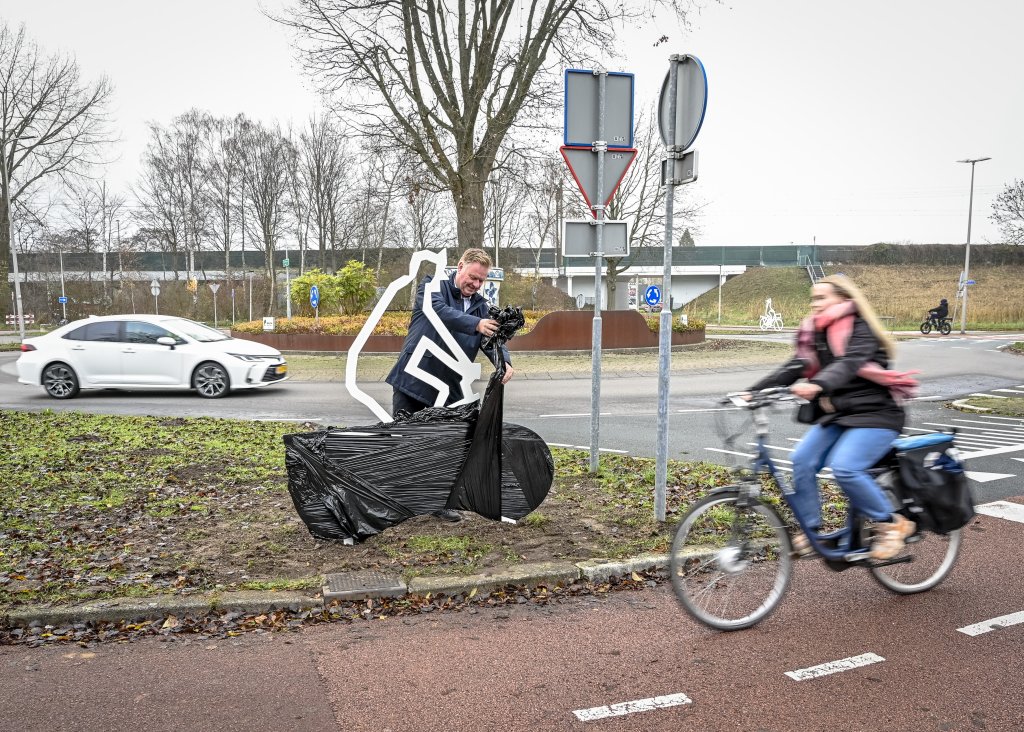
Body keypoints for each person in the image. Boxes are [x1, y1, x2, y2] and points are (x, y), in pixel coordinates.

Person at [747, 275, 919, 560]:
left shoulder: (862, 329)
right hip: (840, 415)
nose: (815, 304)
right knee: (802, 460)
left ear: (842, 298)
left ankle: (892, 523)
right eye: (813, 299)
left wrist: (818, 385)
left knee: (846, 468)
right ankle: (812, 531)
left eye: (821, 298)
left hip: (876, 415)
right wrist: (752, 392)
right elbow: (796, 365)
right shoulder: (815, 332)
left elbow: (848, 363)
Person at [386, 248, 515, 522]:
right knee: (405, 441)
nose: (476, 284)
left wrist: (503, 362)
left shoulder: (481, 306)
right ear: (459, 267)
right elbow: (439, 312)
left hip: (447, 386)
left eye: (481, 280)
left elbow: (491, 340)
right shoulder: (432, 287)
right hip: (414, 379)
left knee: (443, 444)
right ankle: (394, 502)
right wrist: (477, 324)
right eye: (472, 277)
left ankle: (437, 502)